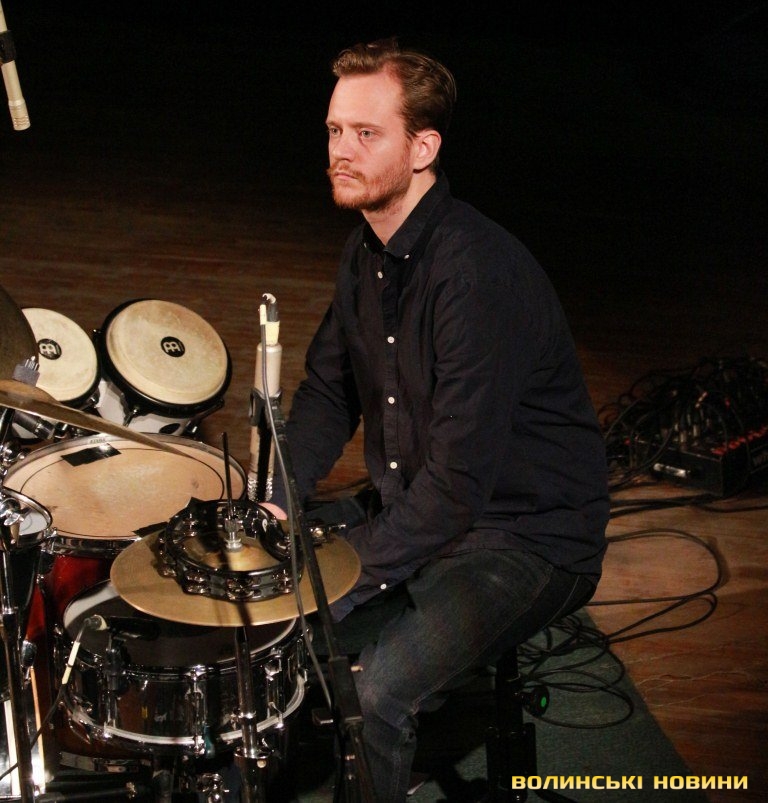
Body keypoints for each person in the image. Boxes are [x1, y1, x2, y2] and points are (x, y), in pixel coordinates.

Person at [268, 37, 609, 802]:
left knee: (376, 687)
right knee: (270, 603)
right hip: (423, 503)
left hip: (526, 534)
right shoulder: (365, 254)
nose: (340, 151)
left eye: (366, 133)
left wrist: (344, 576)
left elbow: (458, 487)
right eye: (334, 131)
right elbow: (327, 393)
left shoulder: (474, 275)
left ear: (423, 149)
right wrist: (279, 499)